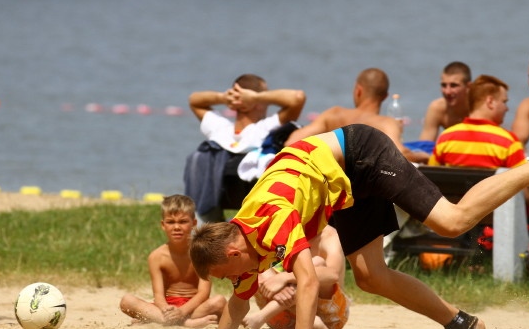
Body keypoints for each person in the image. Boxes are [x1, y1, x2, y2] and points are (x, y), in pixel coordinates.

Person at [190, 123, 529, 329]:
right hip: (339, 184)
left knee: (451, 222)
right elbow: (239, 302)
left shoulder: (273, 217)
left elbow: (307, 281)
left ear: (233, 253)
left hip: (360, 154)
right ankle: (461, 325)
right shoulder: (242, 242)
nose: (231, 280)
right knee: (370, 276)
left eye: (225, 274)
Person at [429, 74, 529, 242]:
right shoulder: (507, 141)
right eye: (504, 102)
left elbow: (433, 180)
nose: (506, 109)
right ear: (490, 102)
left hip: (460, 223)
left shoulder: (446, 138)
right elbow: (528, 195)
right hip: (502, 222)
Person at [186, 74, 306, 222]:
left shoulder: (219, 128)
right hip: (258, 201)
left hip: (216, 200)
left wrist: (223, 98)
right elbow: (298, 97)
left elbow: (194, 100)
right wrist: (256, 97)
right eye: (265, 94)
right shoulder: (267, 128)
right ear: (258, 103)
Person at [119, 194, 226, 328]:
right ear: (163, 225)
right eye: (170, 222)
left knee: (219, 301)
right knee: (126, 301)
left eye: (183, 222)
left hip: (194, 308)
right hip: (166, 308)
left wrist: (182, 312)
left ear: (194, 223)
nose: (176, 227)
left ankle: (156, 320)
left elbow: (203, 293)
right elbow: (158, 296)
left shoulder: (202, 253)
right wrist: (166, 309)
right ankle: (185, 323)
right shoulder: (156, 257)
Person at [285, 68, 427, 163]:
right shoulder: (386, 123)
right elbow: (401, 155)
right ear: (385, 97)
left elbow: (292, 142)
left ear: (358, 90)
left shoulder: (334, 114)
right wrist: (423, 156)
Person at [243, 225, 349, 329]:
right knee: (259, 265)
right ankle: (314, 324)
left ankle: (261, 316)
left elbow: (333, 275)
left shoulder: (329, 235)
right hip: (281, 315)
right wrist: (279, 288)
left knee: (316, 262)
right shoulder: (278, 226)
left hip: (328, 317)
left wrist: (285, 278)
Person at [418, 61, 472, 142]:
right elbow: (424, 144)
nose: (447, 92)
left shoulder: (479, 107)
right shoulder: (437, 108)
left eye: (453, 85)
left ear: (468, 86)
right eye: (443, 85)